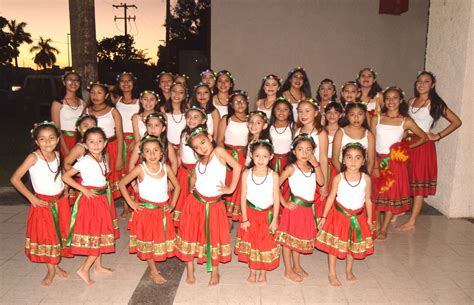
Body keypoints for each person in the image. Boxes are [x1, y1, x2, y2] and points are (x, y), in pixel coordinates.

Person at [174, 126, 242, 286]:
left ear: (210, 137)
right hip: (194, 202)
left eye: (203, 142)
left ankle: (215, 271)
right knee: (189, 234)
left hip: (214, 205)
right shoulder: (200, 159)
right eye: (197, 147)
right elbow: (194, 174)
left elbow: (237, 167)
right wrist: (192, 185)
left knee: (213, 236)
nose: (201, 148)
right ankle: (190, 269)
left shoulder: (218, 152)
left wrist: (230, 188)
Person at [398, 71, 462, 230]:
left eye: (426, 81)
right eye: (419, 81)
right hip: (408, 143)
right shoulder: (411, 101)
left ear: (432, 85)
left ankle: (412, 221)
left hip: (423, 145)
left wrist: (438, 135)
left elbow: (456, 121)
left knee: (418, 183)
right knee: (404, 178)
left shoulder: (434, 103)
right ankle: (400, 210)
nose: (421, 84)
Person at [10, 121, 72, 286]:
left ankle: (55, 265)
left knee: (58, 234)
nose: (48, 143)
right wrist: (32, 198)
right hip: (43, 205)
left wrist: (65, 187)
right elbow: (15, 179)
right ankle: (51, 270)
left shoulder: (58, 155)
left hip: (60, 203)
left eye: (51, 138)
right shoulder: (33, 157)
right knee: (48, 236)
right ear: (36, 141)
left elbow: (61, 172)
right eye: (43, 139)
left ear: (58, 139)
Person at [119, 135, 180, 284]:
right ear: (142, 154)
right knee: (148, 241)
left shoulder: (166, 168)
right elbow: (122, 184)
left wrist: (172, 204)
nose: (152, 154)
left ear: (162, 153)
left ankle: (153, 267)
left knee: (158, 239)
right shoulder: (140, 169)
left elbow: (177, 186)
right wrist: (131, 203)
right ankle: (153, 271)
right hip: (146, 212)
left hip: (162, 212)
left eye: (155, 150)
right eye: (147, 151)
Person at [62, 126, 119, 285]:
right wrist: (83, 189)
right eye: (91, 142)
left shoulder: (102, 157)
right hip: (90, 202)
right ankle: (84, 269)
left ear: (105, 142)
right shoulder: (85, 161)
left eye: (99, 141)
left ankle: (98, 266)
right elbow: (66, 176)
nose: (96, 145)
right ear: (85, 145)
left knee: (100, 232)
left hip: (100, 199)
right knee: (96, 235)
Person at [370, 86, 427, 240]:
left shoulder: (405, 121)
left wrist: (404, 148)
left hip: (395, 164)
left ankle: (384, 227)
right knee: (376, 194)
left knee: (390, 196)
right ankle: (376, 224)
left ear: (401, 100)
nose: (391, 101)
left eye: (395, 98)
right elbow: (372, 141)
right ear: (384, 100)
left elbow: (423, 137)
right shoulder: (377, 118)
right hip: (378, 160)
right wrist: (374, 163)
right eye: (388, 98)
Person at [315, 143, 374, 287]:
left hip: (357, 217)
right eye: (349, 157)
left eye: (357, 158)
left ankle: (348, 270)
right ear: (343, 160)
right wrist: (324, 217)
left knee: (351, 244)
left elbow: (368, 200)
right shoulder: (339, 178)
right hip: (339, 217)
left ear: (363, 161)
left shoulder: (366, 179)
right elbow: (330, 198)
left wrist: (370, 219)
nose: (353, 162)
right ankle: (332, 273)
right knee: (334, 246)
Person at [276, 134, 324, 282]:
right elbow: (274, 183)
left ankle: (297, 265)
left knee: (297, 238)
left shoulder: (312, 168)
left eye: (308, 150)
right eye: (301, 149)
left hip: (307, 210)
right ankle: (288, 270)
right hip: (295, 209)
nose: (305, 153)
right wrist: (284, 202)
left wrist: (316, 164)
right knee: (288, 240)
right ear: (294, 151)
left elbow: (321, 182)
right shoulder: (291, 168)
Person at [235, 139, 280, 283]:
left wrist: (274, 221)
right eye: (257, 156)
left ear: (271, 157)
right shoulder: (246, 174)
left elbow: (276, 199)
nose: (261, 159)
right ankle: (252, 271)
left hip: (267, 215)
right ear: (251, 155)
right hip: (250, 214)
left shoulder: (273, 175)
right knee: (252, 243)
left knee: (264, 244)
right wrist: (244, 218)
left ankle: (263, 271)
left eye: (265, 156)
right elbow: (242, 196)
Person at [84, 81, 124, 200]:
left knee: (114, 175)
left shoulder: (113, 111)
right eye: (92, 93)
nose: (95, 96)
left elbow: (120, 135)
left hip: (111, 147)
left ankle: (121, 206)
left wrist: (119, 157)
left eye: (99, 93)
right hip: (94, 148)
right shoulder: (87, 111)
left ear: (106, 95)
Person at [217, 90, 249, 220]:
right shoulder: (226, 119)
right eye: (236, 102)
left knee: (242, 184)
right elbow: (219, 140)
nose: (240, 104)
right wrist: (223, 159)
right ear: (231, 104)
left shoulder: (251, 119)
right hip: (229, 155)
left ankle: (239, 214)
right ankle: (226, 217)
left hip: (244, 155)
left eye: (242, 101)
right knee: (227, 182)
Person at [173, 106, 207, 226]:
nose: (191, 120)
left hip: (198, 172)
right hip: (183, 170)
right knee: (182, 197)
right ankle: (181, 224)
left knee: (195, 198)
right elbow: (179, 154)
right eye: (189, 117)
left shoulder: (204, 136)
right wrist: (174, 173)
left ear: (203, 121)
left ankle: (195, 223)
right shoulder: (184, 134)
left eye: (195, 117)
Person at [295, 98, 329, 207]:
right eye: (300, 111)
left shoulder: (320, 132)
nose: (303, 114)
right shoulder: (298, 131)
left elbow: (323, 158)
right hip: (299, 174)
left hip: (315, 173)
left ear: (315, 113)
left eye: (307, 111)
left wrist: (324, 183)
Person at [332, 102, 375, 175]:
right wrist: (345, 176)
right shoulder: (340, 132)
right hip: (343, 172)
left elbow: (371, 161)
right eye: (352, 115)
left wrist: (364, 177)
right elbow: (335, 159)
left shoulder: (369, 135)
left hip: (362, 173)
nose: (356, 118)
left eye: (360, 114)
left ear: (365, 116)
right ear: (347, 116)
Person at [50, 70, 85, 156]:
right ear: (64, 82)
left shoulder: (82, 103)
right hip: (64, 140)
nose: (73, 82)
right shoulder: (58, 103)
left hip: (80, 140)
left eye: (76, 80)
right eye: (70, 80)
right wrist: (65, 148)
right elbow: (56, 128)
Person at [113, 72, 140, 172]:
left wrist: (135, 140)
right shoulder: (117, 100)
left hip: (134, 138)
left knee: (132, 167)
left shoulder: (140, 101)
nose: (126, 83)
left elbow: (143, 122)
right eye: (122, 81)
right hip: (119, 140)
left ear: (134, 83)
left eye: (129, 80)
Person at [160, 82, 188, 156]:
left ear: (185, 96)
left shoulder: (188, 112)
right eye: (174, 91)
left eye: (181, 92)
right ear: (170, 93)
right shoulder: (162, 110)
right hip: (167, 149)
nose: (177, 94)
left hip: (184, 149)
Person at [269, 97, 294, 174]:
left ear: (290, 112)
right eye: (278, 109)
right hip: (271, 161)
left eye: (285, 109)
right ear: (273, 111)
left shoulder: (294, 126)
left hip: (288, 161)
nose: (281, 112)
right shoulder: (268, 127)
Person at [324, 102, 343, 190]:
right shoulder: (320, 130)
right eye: (329, 112)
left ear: (340, 115)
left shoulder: (343, 131)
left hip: (337, 165)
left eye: (335, 112)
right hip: (322, 165)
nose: (332, 115)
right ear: (325, 114)